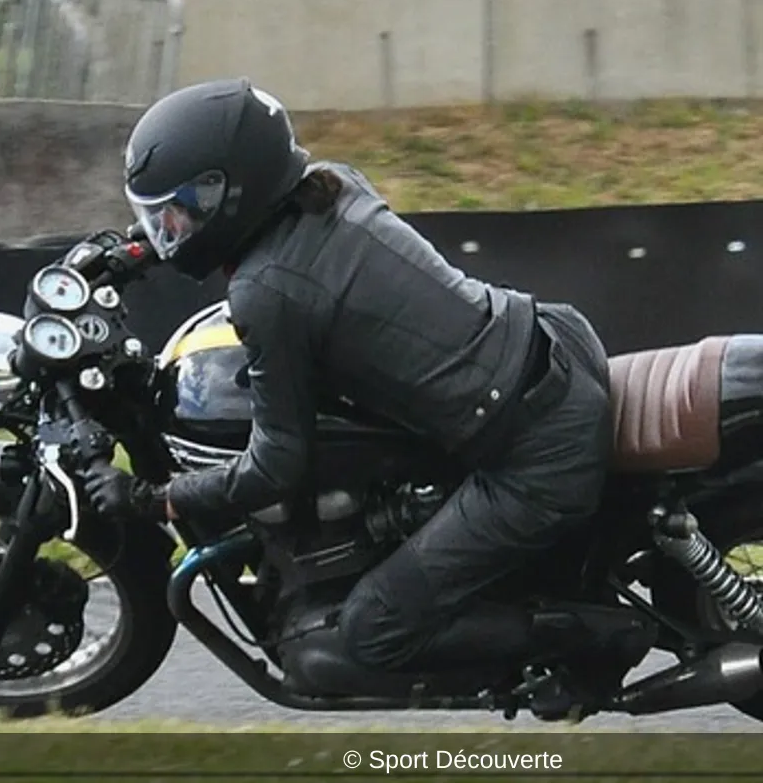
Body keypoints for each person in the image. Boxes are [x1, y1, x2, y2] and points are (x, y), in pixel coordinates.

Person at [83, 78, 618, 684]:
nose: (169, 228)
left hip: (534, 453)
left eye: (179, 209)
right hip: (550, 343)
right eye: (159, 215)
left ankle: (598, 640)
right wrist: (142, 246)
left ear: (233, 193)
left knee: (371, 631)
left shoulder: (265, 292)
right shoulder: (332, 184)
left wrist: (156, 498)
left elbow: (275, 466)